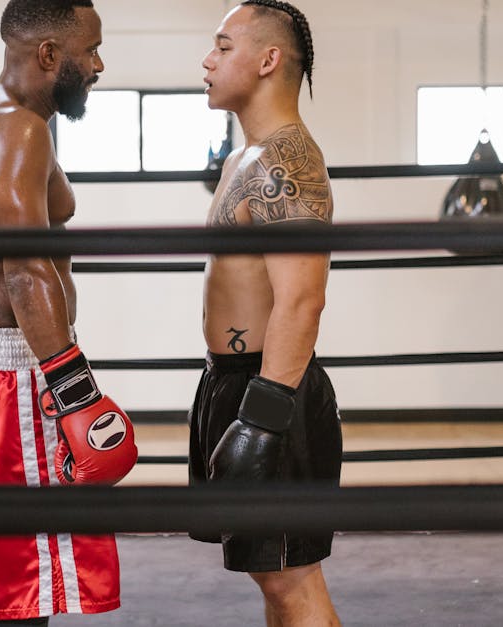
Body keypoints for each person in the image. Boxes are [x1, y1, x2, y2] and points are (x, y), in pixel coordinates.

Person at [0, 1, 137, 625]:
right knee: (30, 584)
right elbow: (25, 270)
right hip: (19, 375)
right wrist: (74, 390)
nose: (99, 64)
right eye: (91, 50)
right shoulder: (18, 130)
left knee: (18, 580)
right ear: (50, 55)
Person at [190, 2, 343, 626]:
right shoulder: (242, 159)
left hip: (270, 388)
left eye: (223, 47)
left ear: (267, 60)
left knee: (292, 583)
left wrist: (265, 417)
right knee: (273, 581)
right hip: (232, 380)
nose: (208, 60)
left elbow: (303, 298)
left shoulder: (288, 163)